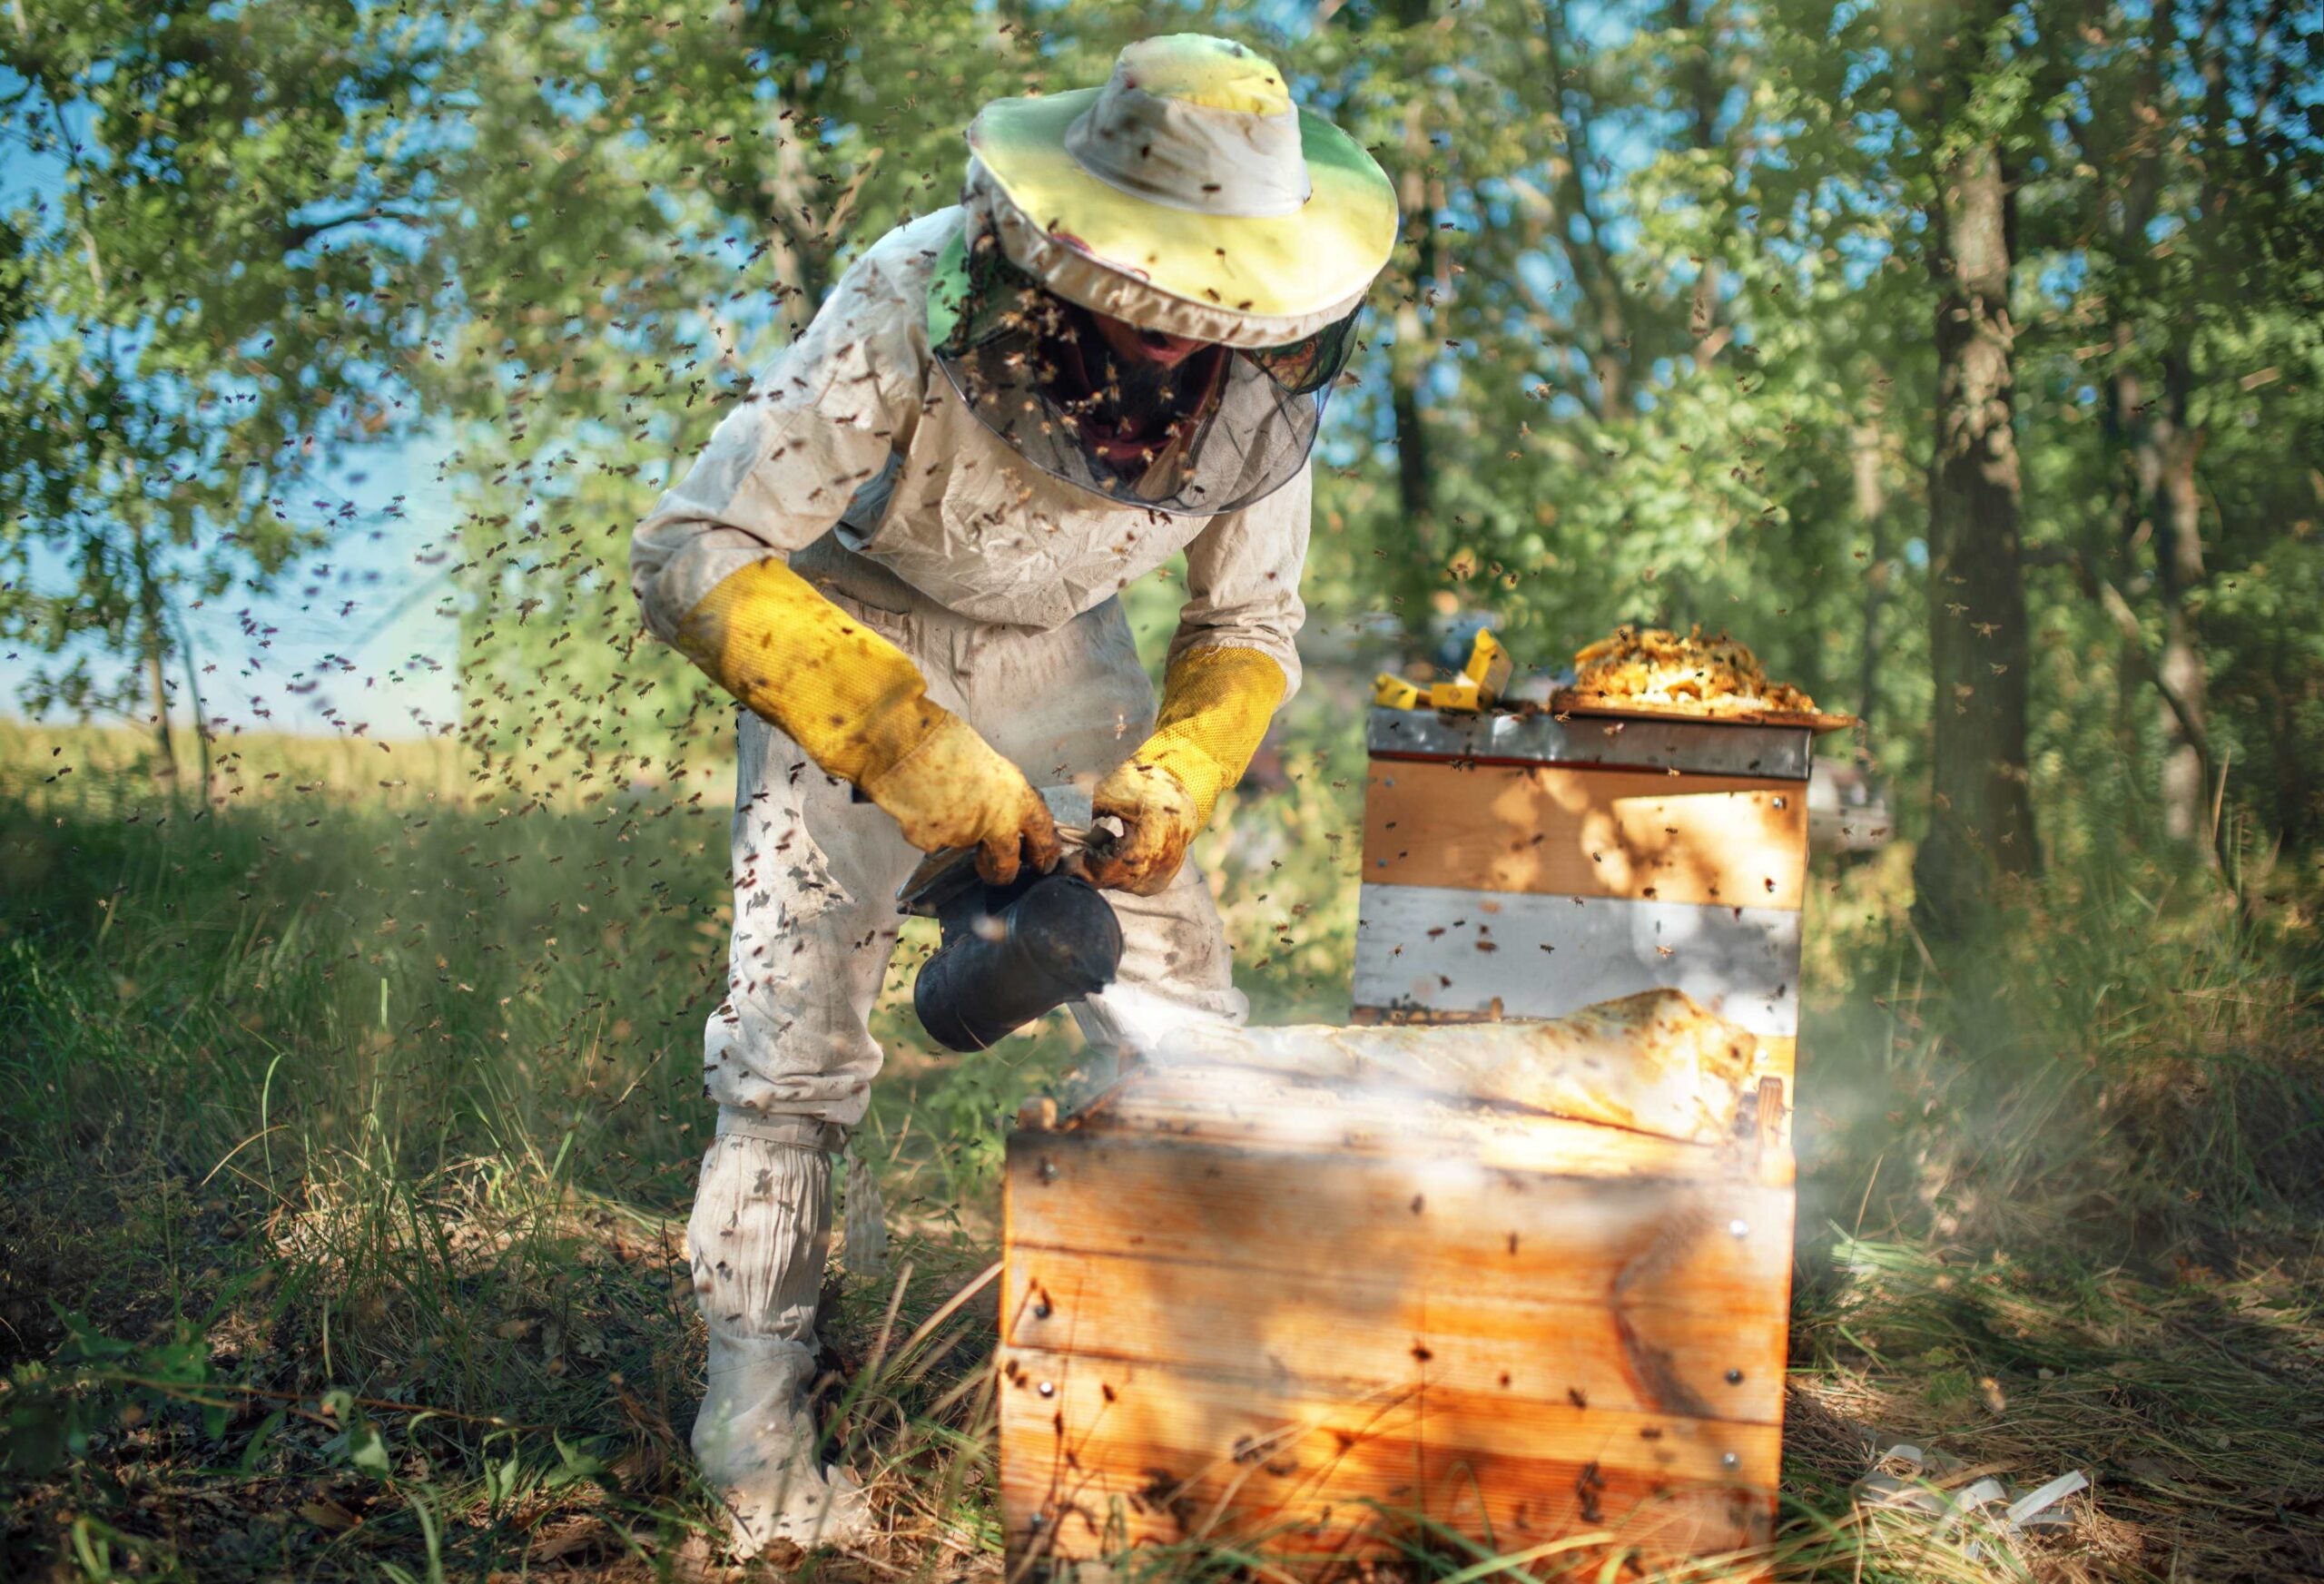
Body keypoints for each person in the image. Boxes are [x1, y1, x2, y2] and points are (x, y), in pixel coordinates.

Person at [628, 33, 1394, 1555]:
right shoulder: (914, 293)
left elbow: (1249, 621)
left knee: (1186, 1025)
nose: (1178, 346)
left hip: (1070, 655)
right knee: (791, 1050)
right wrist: (902, 740)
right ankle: (755, 1434)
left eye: (1215, 313)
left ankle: (1198, 1401)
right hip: (848, 625)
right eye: (1153, 304)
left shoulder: (1263, 376)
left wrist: (1184, 762)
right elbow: (692, 550)